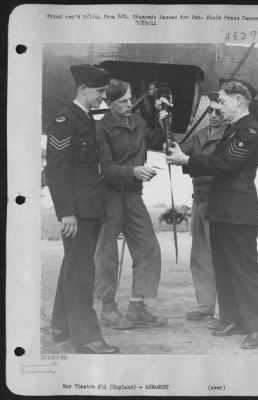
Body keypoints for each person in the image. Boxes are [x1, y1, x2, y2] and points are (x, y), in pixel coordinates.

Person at [166, 79, 258, 349]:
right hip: (222, 207)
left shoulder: (251, 131)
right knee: (222, 267)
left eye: (222, 101)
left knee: (245, 268)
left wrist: (188, 161)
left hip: (238, 209)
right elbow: (215, 160)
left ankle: (256, 327)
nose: (219, 107)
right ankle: (233, 319)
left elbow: (225, 163)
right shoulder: (233, 131)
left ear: (239, 100)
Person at [45, 64, 119, 354]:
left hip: (88, 207)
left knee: (72, 266)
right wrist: (67, 212)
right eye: (100, 91)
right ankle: (86, 338)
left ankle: (62, 326)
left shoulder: (85, 118)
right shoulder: (65, 120)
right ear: (83, 89)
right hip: (77, 211)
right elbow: (56, 170)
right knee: (81, 272)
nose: (103, 97)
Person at [94, 79, 168, 329]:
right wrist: (133, 171)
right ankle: (108, 308)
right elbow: (106, 170)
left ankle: (137, 307)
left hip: (134, 196)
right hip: (109, 196)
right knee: (107, 254)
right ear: (109, 103)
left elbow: (157, 141)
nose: (128, 105)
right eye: (122, 101)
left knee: (149, 248)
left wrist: (162, 117)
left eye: (129, 99)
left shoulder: (138, 122)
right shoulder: (101, 128)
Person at [180, 92, 225, 326]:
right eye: (210, 111)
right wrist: (163, 122)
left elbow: (215, 166)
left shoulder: (228, 136)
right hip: (199, 200)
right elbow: (176, 151)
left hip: (218, 201)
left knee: (219, 256)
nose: (214, 115)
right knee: (199, 256)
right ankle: (206, 306)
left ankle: (224, 310)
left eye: (218, 111)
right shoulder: (198, 136)